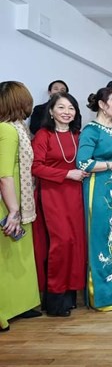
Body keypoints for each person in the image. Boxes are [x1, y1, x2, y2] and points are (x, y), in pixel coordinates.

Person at [77, 87, 112, 311]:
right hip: (99, 189)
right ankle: (100, 296)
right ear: (101, 104)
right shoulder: (91, 130)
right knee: (103, 237)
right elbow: (82, 163)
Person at [31, 92, 87, 316]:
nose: (67, 112)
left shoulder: (78, 134)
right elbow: (36, 167)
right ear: (51, 112)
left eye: (71, 108)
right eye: (61, 108)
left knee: (75, 243)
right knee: (60, 243)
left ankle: (70, 295)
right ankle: (54, 299)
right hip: (53, 193)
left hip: (75, 194)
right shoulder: (44, 135)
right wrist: (66, 174)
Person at [0, 81, 41, 331]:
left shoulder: (20, 128)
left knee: (19, 258)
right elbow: (4, 175)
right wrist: (13, 211)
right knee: (6, 259)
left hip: (22, 202)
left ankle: (20, 305)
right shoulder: (6, 130)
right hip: (9, 204)